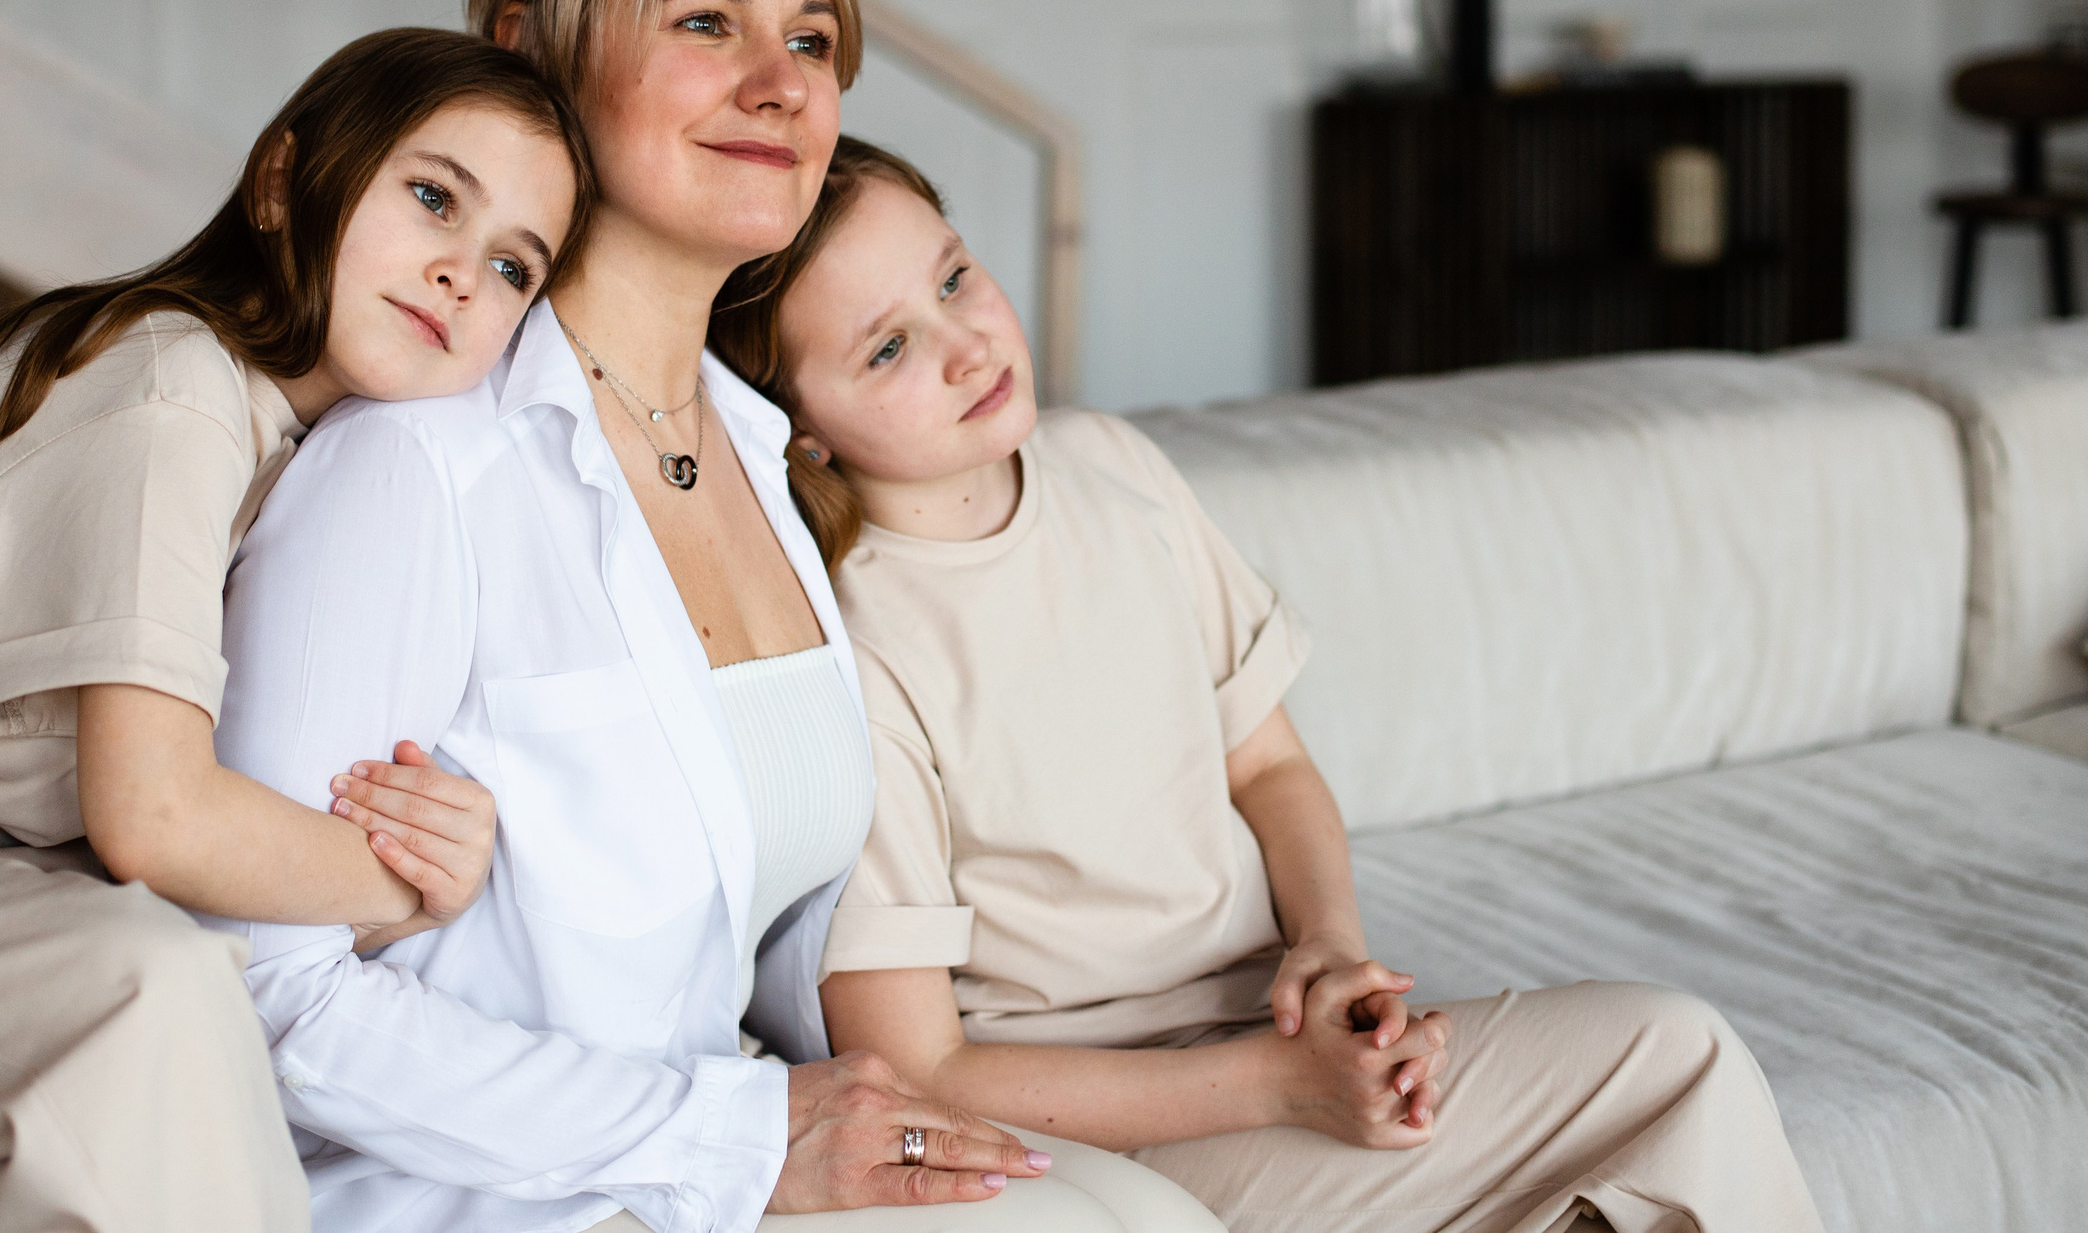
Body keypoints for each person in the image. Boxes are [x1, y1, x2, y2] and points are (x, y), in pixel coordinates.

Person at [209, 0, 1220, 1233]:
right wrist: (729, 1132)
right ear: (532, 47)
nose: (783, 81)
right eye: (706, 22)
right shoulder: (414, 467)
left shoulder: (761, 457)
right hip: (492, 1191)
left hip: (732, 1144)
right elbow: (266, 988)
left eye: (813, 38)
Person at [705, 136, 1830, 1233]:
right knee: (1677, 1072)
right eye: (887, 349)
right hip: (1127, 1121)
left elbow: (1272, 765)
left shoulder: (1112, 467)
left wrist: (1329, 949)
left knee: (1664, 1050)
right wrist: (1278, 1087)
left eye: (953, 276)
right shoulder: (851, 644)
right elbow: (920, 1065)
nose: (965, 342)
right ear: (796, 430)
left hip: (1272, 1031)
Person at [0, 28, 589, 1233]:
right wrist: (407, 887)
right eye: (430, 199)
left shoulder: (309, 467)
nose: (465, 274)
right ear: (279, 182)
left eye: (516, 268)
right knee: (152, 992)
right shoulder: (172, 387)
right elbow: (156, 818)